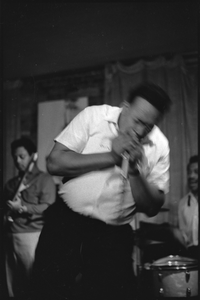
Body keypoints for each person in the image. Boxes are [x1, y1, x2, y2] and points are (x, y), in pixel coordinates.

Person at [32, 83, 172, 300]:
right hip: (65, 223)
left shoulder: (160, 146)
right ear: (124, 107)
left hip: (113, 236)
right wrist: (112, 158)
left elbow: (152, 207)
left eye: (149, 126)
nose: (140, 131)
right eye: (137, 121)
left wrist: (134, 171)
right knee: (47, 291)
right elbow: (54, 162)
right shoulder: (93, 116)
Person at [3, 137, 56, 298]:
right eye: (15, 157)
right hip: (10, 236)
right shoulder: (11, 184)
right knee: (12, 284)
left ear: (33, 156)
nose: (17, 161)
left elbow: (48, 207)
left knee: (31, 282)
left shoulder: (44, 179)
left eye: (22, 156)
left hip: (32, 236)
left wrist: (23, 208)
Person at [172, 155, 198, 259]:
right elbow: (183, 236)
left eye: (196, 172)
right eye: (189, 172)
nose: (191, 176)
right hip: (191, 255)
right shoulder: (182, 203)